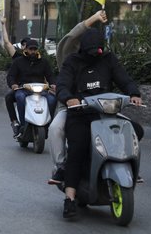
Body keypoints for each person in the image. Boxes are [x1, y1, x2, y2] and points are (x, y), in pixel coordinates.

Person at [57, 28, 142, 219]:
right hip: (80, 114)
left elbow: (124, 79)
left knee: (136, 132)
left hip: (107, 114)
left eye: (98, 50)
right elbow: (62, 84)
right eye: (92, 50)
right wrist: (69, 98)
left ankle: (128, 170)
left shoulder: (109, 60)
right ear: (83, 48)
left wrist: (134, 93)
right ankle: (70, 198)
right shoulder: (72, 62)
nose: (95, 54)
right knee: (78, 146)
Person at [48, 10, 108, 185]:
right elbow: (69, 39)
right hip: (71, 109)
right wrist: (94, 18)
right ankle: (61, 167)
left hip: (99, 107)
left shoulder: (103, 59)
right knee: (55, 129)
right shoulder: (68, 59)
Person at [6, 39, 57, 137]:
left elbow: (50, 75)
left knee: (52, 100)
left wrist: (53, 84)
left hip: (41, 90)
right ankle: (19, 123)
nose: (33, 51)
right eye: (30, 49)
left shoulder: (44, 62)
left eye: (35, 49)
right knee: (15, 97)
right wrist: (13, 84)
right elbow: (10, 76)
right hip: (23, 89)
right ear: (26, 49)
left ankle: (47, 125)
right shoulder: (18, 61)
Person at [0, 17, 31, 137]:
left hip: (36, 90)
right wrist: (3, 24)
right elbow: (7, 42)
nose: (28, 48)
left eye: (31, 46)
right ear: (22, 47)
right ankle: (15, 122)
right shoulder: (17, 57)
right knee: (9, 97)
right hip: (21, 89)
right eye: (25, 45)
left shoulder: (39, 59)